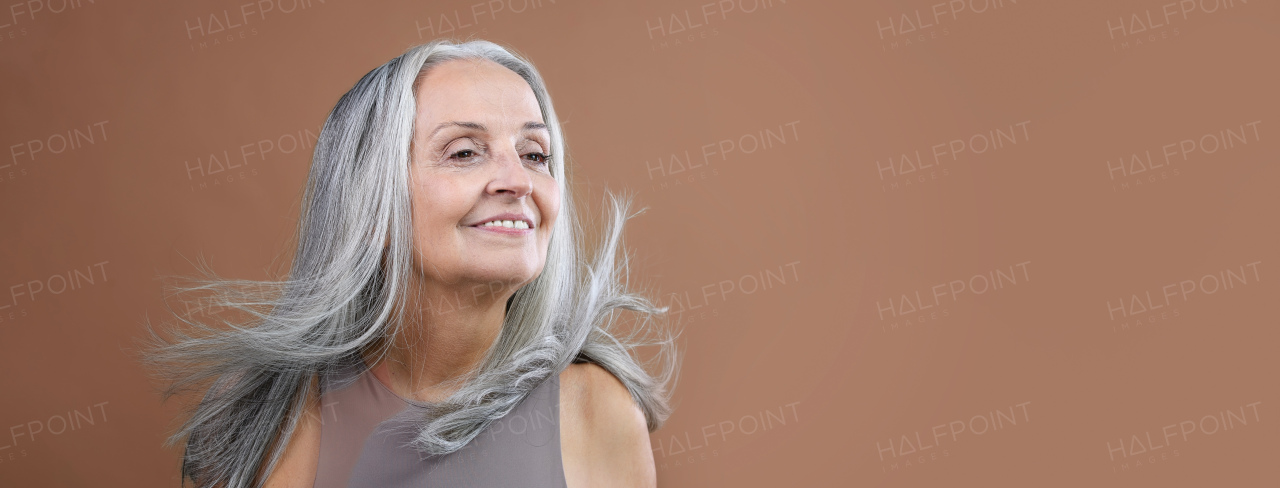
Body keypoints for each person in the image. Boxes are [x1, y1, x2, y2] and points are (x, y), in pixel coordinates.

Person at [144, 39, 681, 487]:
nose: (517, 181)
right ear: (371, 203)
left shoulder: (598, 411)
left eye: (535, 154)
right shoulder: (266, 412)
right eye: (465, 152)